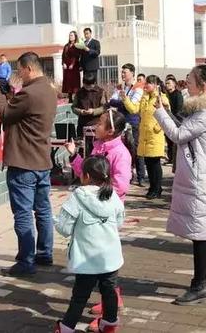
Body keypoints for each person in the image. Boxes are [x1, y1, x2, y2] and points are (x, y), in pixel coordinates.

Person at [153, 65, 206, 305]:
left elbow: (178, 135)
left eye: (189, 81)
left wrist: (159, 112)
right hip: (204, 176)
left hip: (200, 178)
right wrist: (167, 111)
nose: (185, 84)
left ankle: (198, 285)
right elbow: (185, 128)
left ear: (203, 86)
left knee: (201, 231)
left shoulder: (204, 114)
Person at [0, 52, 57, 277]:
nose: (18, 75)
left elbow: (6, 115)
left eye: (19, 70)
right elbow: (23, 114)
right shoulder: (48, 89)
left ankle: (25, 262)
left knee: (23, 213)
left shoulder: (29, 93)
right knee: (44, 210)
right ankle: (45, 253)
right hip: (42, 161)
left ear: (29, 68)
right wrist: (10, 95)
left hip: (23, 163)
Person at [64, 110, 131, 330]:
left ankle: (109, 305)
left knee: (103, 266)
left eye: (100, 123)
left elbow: (121, 185)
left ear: (111, 130)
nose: (95, 126)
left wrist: (101, 194)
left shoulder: (121, 153)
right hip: (91, 213)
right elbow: (87, 174)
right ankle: (109, 306)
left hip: (106, 213)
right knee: (102, 266)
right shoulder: (98, 146)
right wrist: (75, 156)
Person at [54, 156, 124, 333]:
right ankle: (109, 324)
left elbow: (64, 228)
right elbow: (119, 222)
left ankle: (67, 327)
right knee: (109, 292)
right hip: (109, 257)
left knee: (80, 296)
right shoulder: (113, 195)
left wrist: (54, 220)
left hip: (86, 258)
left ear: (85, 176)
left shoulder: (78, 196)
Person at [122, 75, 169, 199]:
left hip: (155, 135)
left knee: (155, 163)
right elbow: (133, 109)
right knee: (148, 162)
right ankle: (152, 187)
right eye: (146, 83)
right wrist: (125, 99)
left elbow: (167, 114)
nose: (146, 85)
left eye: (148, 83)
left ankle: (157, 188)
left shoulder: (161, 98)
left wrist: (158, 127)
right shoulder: (144, 97)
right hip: (144, 135)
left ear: (155, 85)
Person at [109, 63, 146, 187]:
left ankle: (141, 176)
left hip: (134, 122)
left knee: (136, 149)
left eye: (125, 72)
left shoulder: (139, 87)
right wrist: (122, 102)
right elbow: (112, 101)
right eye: (122, 72)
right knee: (123, 149)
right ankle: (127, 174)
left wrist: (121, 102)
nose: (122, 74)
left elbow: (134, 105)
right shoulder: (120, 87)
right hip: (121, 122)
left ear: (132, 73)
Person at [72, 71, 108, 143]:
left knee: (96, 146)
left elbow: (105, 107)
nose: (87, 88)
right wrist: (81, 111)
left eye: (89, 86)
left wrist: (94, 111)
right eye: (86, 86)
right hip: (82, 123)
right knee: (83, 148)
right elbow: (73, 107)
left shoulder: (101, 92)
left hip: (97, 124)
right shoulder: (79, 92)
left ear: (94, 83)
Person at [164, 76, 184, 167]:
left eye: (169, 83)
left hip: (175, 120)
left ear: (174, 84)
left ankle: (174, 159)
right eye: (166, 83)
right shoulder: (166, 95)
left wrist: (174, 119)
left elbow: (178, 110)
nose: (167, 85)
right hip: (168, 119)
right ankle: (170, 158)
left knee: (173, 141)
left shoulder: (178, 95)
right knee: (169, 141)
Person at [62, 31, 81, 101]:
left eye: (72, 35)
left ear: (75, 36)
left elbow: (77, 56)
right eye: (70, 35)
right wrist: (63, 63)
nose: (70, 37)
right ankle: (70, 98)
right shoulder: (66, 46)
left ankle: (76, 99)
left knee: (75, 82)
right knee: (68, 82)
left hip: (74, 66)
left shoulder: (77, 45)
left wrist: (72, 64)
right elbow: (63, 56)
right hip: (66, 67)